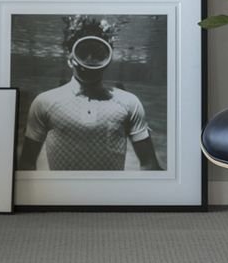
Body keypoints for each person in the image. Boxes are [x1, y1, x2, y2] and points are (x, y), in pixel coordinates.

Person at [19, 16, 163, 171]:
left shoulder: (129, 103)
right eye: (83, 52)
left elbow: (150, 165)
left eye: (97, 53)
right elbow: (26, 164)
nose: (90, 59)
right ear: (70, 59)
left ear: (107, 59)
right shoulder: (44, 102)